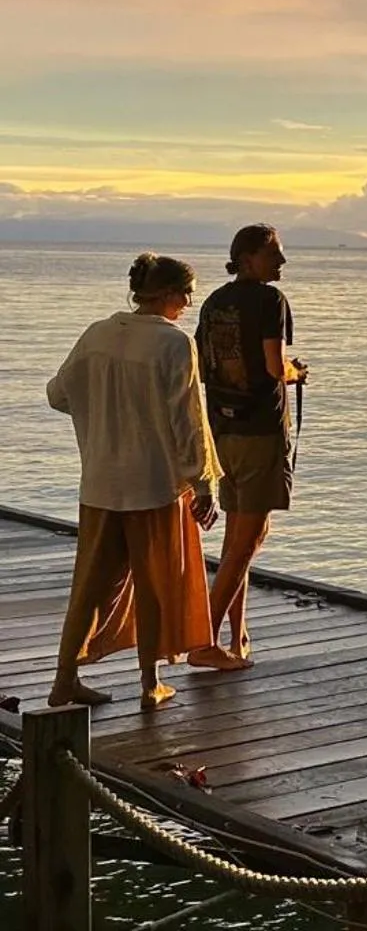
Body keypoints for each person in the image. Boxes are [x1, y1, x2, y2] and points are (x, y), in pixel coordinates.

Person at [47, 253, 245, 710]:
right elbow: (187, 421)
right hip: (152, 485)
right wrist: (203, 485)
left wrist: (105, 408)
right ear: (167, 294)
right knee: (154, 587)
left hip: (99, 482)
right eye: (186, 293)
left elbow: (58, 394)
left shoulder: (97, 334)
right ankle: (149, 684)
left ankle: (64, 680)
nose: (190, 302)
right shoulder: (172, 344)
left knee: (89, 587)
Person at [196, 224, 307, 663]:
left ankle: (235, 636)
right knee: (249, 538)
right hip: (260, 429)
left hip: (222, 431)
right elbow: (274, 366)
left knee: (237, 540)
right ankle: (202, 640)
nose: (281, 262)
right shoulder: (270, 301)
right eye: (273, 254)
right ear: (247, 258)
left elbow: (204, 366)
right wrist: (296, 371)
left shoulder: (213, 302)